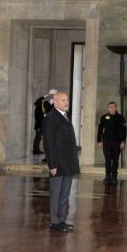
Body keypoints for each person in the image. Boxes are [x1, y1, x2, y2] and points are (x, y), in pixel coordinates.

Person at [42, 91, 79, 233]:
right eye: (63, 100)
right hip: (58, 163)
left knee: (64, 194)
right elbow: (49, 143)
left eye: (67, 100)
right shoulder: (50, 118)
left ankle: (61, 220)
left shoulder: (66, 116)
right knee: (56, 194)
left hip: (68, 163)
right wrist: (52, 165)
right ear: (55, 102)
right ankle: (54, 222)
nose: (66, 102)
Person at [96, 101, 127, 185]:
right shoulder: (104, 117)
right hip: (106, 142)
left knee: (116, 159)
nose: (112, 108)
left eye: (114, 107)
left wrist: (123, 141)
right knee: (108, 159)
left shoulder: (121, 117)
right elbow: (99, 130)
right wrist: (99, 141)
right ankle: (107, 177)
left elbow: (124, 131)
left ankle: (114, 177)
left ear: (116, 108)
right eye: (110, 107)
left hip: (117, 142)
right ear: (108, 108)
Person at [32, 89, 56, 155]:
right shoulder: (44, 102)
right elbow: (36, 102)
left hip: (45, 124)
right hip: (40, 123)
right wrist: (46, 96)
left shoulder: (52, 103)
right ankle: (35, 150)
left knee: (41, 137)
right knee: (38, 137)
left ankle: (37, 150)